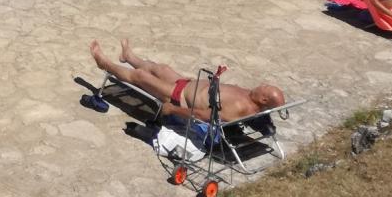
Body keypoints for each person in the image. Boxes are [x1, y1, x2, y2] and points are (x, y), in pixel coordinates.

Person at [89, 40, 285, 122]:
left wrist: (173, 110)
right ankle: (129, 58)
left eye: (266, 88)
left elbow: (205, 116)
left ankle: (105, 63)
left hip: (179, 96)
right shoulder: (249, 94)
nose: (263, 84)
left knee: (142, 77)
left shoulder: (242, 108)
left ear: (264, 100)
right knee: (161, 68)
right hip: (188, 84)